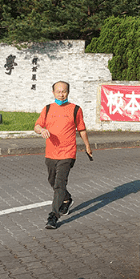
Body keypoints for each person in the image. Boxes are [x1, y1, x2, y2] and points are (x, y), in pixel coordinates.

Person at [34, 81, 93, 230]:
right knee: (52, 181)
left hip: (68, 153)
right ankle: (66, 199)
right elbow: (37, 126)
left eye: (64, 91)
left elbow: (82, 129)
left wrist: (87, 145)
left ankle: (53, 216)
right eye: (58, 92)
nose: (61, 94)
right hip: (51, 153)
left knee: (60, 183)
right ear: (53, 93)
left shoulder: (75, 109)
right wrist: (41, 130)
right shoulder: (47, 109)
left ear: (68, 92)